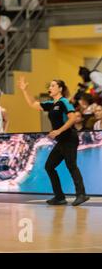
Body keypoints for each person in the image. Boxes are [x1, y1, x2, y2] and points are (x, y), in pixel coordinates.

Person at [18, 76, 89, 206]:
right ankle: (59, 197)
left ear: (60, 89)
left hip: (69, 138)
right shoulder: (51, 104)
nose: (50, 88)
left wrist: (58, 131)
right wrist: (24, 90)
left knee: (71, 166)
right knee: (49, 166)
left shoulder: (64, 102)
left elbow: (72, 118)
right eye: (49, 86)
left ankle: (81, 194)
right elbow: (33, 104)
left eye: (52, 86)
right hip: (61, 141)